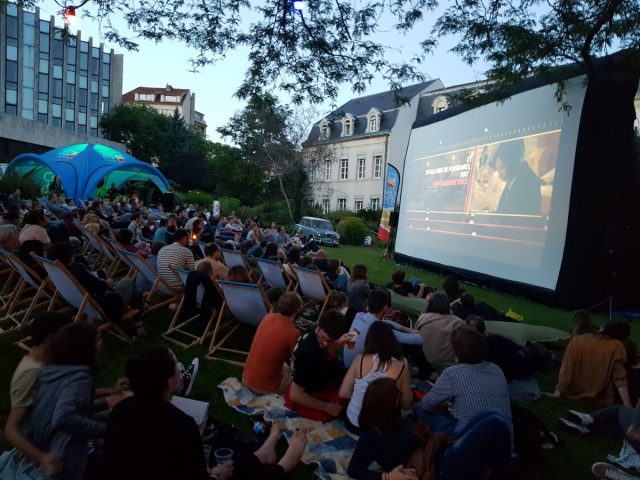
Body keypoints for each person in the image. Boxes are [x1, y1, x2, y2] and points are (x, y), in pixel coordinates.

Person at [103, 346, 307, 480]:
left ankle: (262, 454)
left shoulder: (122, 409)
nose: (179, 370)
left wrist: (213, 474)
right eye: (176, 367)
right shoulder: (180, 425)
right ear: (171, 382)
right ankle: (285, 465)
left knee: (230, 466)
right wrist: (214, 477)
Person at [0, 323, 107, 480]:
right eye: (97, 339)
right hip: (63, 459)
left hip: (46, 446)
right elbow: (63, 417)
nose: (101, 342)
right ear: (84, 346)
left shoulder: (49, 371)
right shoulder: (80, 377)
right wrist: (105, 430)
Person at [2, 313, 71, 478]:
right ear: (50, 338)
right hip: (44, 445)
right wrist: (42, 458)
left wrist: (108, 393)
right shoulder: (30, 373)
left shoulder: (46, 364)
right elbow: (11, 429)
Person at [414, 326, 512, 437]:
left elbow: (427, 405)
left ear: (456, 351)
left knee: (419, 408)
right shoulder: (497, 370)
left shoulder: (453, 373)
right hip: (504, 442)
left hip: (467, 442)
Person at [339, 322, 413, 435]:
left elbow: (344, 393)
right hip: (381, 430)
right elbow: (407, 404)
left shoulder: (360, 359)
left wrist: (360, 396)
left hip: (353, 424)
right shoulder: (401, 366)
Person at [347, 377, 422, 480]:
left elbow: (354, 470)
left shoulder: (370, 436)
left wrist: (386, 477)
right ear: (394, 402)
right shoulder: (406, 423)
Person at [285, 309, 352, 422]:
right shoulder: (309, 356)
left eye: (330, 340)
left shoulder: (313, 330)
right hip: (309, 390)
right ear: (319, 328)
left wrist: (337, 343)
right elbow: (295, 394)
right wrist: (327, 407)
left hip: (313, 375)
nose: (325, 343)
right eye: (323, 337)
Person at [549, 320, 631, 406]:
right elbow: (620, 378)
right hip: (599, 397)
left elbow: (567, 369)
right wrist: (628, 406)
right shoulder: (617, 346)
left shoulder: (577, 340)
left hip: (572, 392)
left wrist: (558, 391)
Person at [343, 289, 423, 369]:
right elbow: (416, 340)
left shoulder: (359, 315)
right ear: (385, 307)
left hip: (348, 363)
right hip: (357, 371)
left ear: (368, 305)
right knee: (399, 355)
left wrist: (407, 329)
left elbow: (384, 321)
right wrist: (428, 333)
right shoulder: (379, 329)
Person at [243, 292, 302, 394]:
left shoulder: (267, 317)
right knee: (296, 374)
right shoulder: (293, 333)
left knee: (280, 363)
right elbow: (298, 360)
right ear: (297, 310)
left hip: (246, 379)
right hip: (265, 389)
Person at [414, 291, 464, 371]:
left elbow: (413, 335)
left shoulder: (423, 318)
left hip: (424, 360)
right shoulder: (458, 322)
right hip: (446, 364)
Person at [494, 139, 541, 215]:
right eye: (497, 169)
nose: (499, 174)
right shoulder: (514, 177)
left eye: (501, 167)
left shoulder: (528, 181)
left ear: (512, 162)